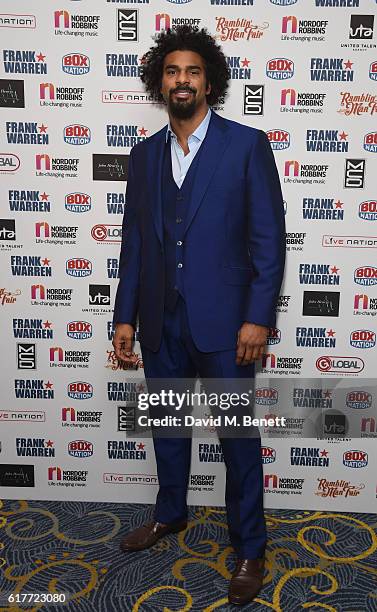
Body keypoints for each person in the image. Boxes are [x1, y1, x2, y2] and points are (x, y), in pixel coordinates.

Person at [112, 25, 286, 606]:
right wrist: (124, 316)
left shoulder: (245, 145)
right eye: (170, 71)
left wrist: (258, 318)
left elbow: (268, 240)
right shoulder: (143, 155)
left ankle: (250, 546)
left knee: (238, 438)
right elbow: (135, 243)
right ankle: (170, 514)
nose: (181, 80)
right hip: (162, 321)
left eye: (191, 71)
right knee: (168, 428)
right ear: (158, 82)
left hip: (227, 325)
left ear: (209, 81)